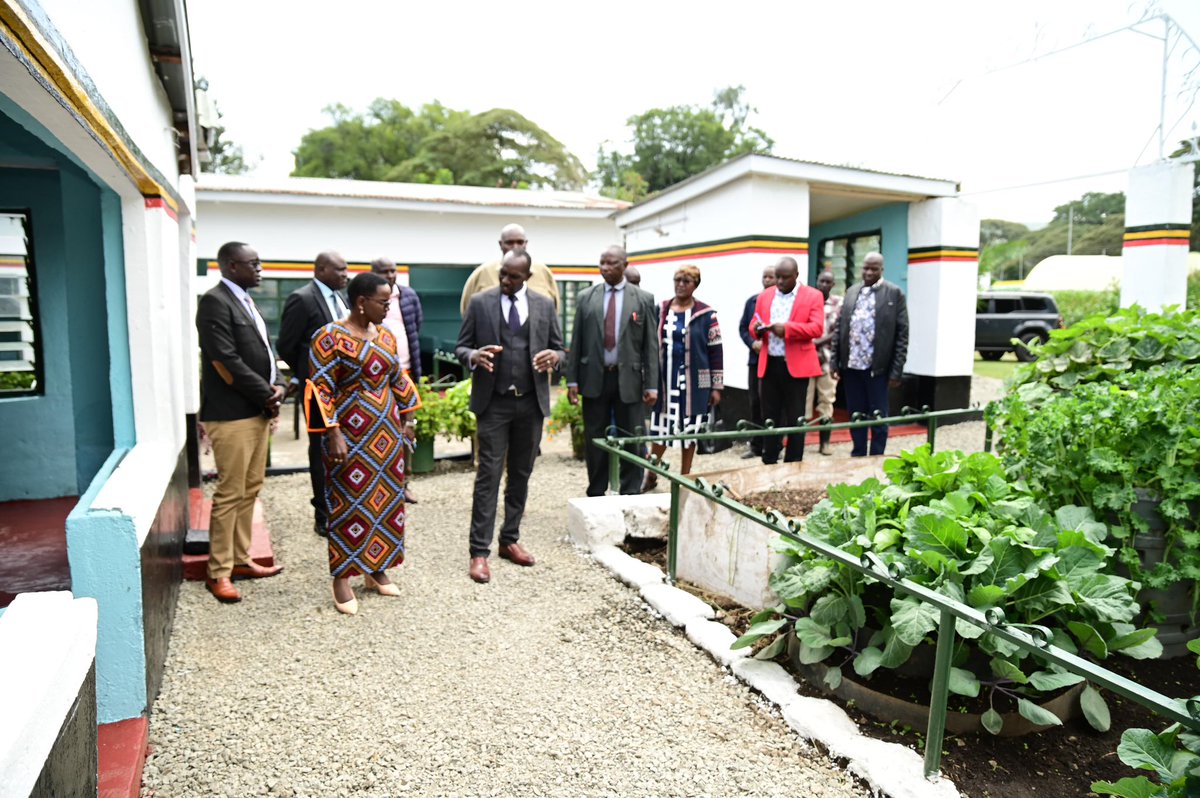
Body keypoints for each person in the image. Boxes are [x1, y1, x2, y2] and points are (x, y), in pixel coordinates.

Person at [305, 272, 422, 615]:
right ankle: (342, 575)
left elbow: (397, 378)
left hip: (386, 436)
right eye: (383, 302)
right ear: (361, 302)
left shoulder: (385, 336)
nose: (388, 308)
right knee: (349, 501)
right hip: (349, 436)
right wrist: (333, 433)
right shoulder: (329, 337)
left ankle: (376, 568)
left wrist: (410, 419)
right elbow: (321, 388)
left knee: (385, 502)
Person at [455, 250, 564, 583]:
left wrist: (554, 356)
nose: (505, 280)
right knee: (488, 475)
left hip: (530, 403)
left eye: (513, 276)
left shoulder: (544, 305)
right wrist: (473, 355)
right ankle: (479, 552)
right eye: (503, 273)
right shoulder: (480, 303)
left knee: (520, 474)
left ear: (527, 277)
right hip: (494, 404)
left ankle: (510, 539)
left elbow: (560, 348)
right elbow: (461, 347)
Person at [195, 241, 287, 603]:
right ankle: (218, 572)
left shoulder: (247, 302)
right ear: (232, 266)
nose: (260, 269)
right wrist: (266, 393)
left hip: (257, 411)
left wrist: (279, 384)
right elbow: (225, 359)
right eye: (253, 263)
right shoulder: (215, 302)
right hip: (232, 413)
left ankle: (240, 559)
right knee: (231, 493)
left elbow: (266, 351)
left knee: (250, 489)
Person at [566, 245, 659, 496]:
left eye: (611, 263)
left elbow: (650, 346)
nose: (605, 268)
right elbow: (577, 341)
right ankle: (597, 490)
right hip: (594, 378)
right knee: (595, 438)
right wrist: (572, 380)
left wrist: (652, 385)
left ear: (624, 266)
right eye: (602, 263)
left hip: (629, 380)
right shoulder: (587, 297)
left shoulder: (643, 299)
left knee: (632, 437)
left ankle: (630, 491)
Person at [277, 251, 350, 537]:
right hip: (317, 390)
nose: (345, 275)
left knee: (342, 445)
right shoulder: (303, 298)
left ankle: (343, 505)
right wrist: (305, 372)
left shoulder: (341, 299)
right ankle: (323, 513)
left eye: (346, 269)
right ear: (320, 270)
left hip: (344, 389)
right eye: (339, 270)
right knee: (321, 448)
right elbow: (286, 344)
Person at [643, 265, 723, 488]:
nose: (680, 285)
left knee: (690, 431)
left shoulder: (706, 314)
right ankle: (651, 474)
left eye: (686, 281)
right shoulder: (661, 310)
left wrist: (716, 387)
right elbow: (649, 343)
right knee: (661, 428)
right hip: (664, 380)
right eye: (677, 280)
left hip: (696, 383)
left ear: (695, 285)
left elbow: (716, 351)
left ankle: (684, 478)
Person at [831, 252, 909, 457]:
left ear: (881, 269)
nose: (868, 272)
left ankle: (876, 456)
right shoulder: (852, 292)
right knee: (856, 414)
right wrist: (834, 362)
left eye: (874, 269)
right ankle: (858, 453)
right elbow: (839, 329)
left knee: (878, 416)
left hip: (878, 369)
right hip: (852, 367)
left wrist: (896, 371)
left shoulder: (894, 294)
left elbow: (902, 335)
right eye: (866, 268)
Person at [748, 256, 824, 464]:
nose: (780, 281)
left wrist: (787, 329)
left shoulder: (813, 296)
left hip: (796, 367)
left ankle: (793, 462)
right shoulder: (765, 296)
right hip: (769, 364)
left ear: (796, 275)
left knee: (795, 417)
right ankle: (769, 459)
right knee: (769, 416)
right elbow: (754, 321)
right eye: (778, 277)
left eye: (785, 277)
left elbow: (817, 328)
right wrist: (756, 329)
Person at [371, 256, 424, 501]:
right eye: (385, 272)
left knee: (407, 428)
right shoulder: (368, 298)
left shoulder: (408, 296)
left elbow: (416, 327)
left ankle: (403, 483)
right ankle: (379, 483)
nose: (390, 276)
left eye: (393, 271)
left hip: (406, 371)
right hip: (378, 377)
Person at [459, 223, 560, 316]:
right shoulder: (483, 273)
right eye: (510, 243)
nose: (515, 247)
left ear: (526, 244)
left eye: (520, 242)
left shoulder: (543, 273)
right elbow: (467, 311)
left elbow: (554, 311)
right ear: (501, 244)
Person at [737, 264, 776, 459]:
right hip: (755, 360)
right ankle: (756, 445)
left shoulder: (781, 303)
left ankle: (774, 445)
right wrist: (752, 343)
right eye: (765, 277)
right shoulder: (752, 302)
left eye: (771, 277)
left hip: (774, 360)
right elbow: (743, 328)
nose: (767, 280)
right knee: (755, 402)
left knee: (774, 404)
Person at [806, 271, 842, 455]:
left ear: (833, 284)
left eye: (828, 282)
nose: (824, 285)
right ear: (817, 282)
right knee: (804, 402)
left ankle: (824, 443)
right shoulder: (808, 301)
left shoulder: (838, 304)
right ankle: (799, 442)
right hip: (806, 359)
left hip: (828, 360)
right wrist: (812, 346)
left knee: (826, 401)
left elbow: (839, 331)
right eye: (822, 281)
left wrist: (818, 343)